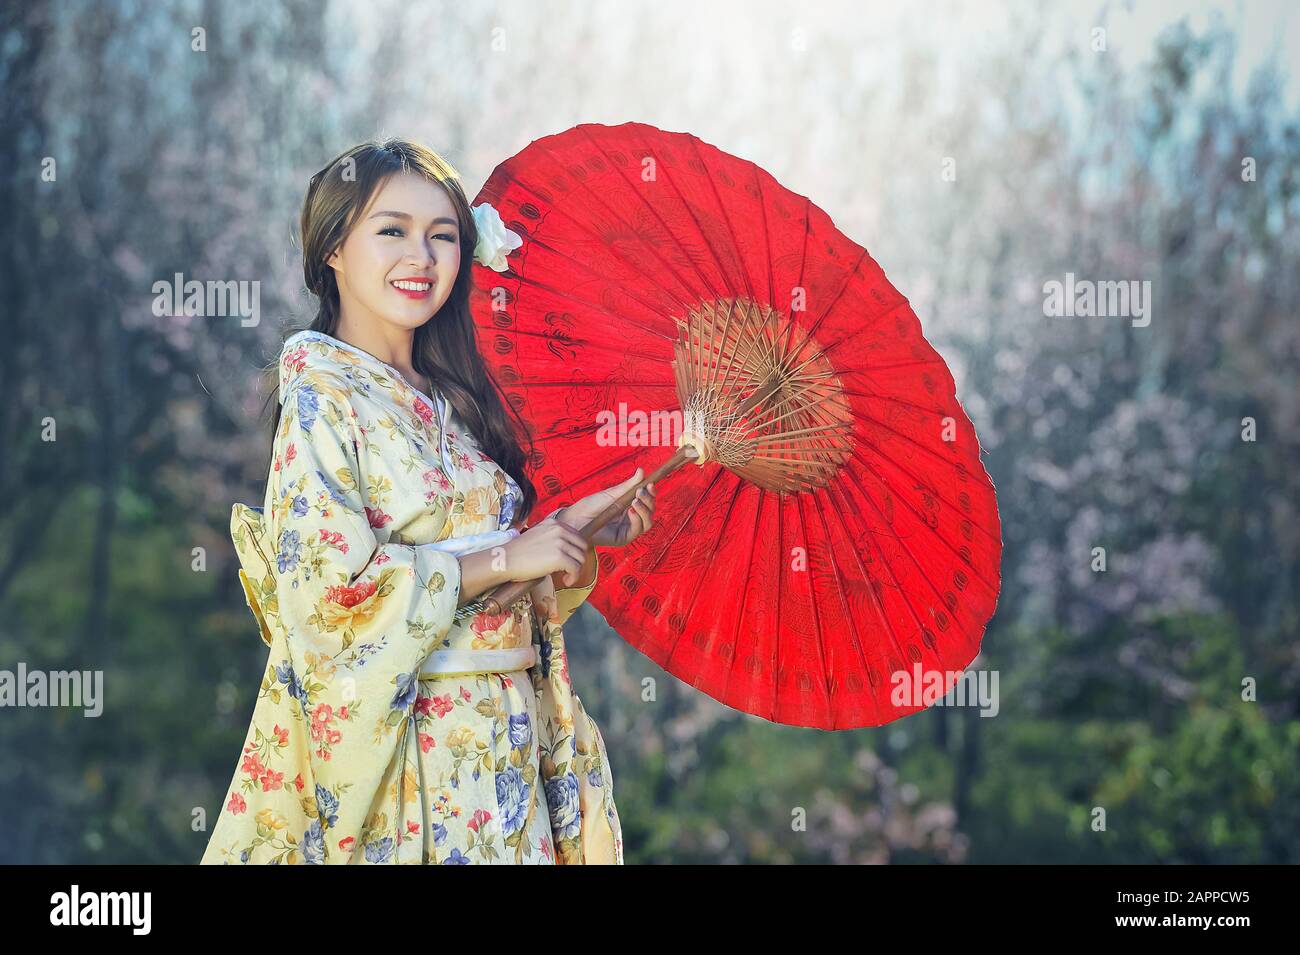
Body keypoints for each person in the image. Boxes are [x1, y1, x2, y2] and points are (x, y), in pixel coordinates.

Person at [200, 139, 655, 864]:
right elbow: (328, 603)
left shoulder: (455, 402)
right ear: (333, 251)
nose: (422, 256)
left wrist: (569, 533)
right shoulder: (322, 395)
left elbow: (489, 579)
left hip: (506, 748)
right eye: (392, 230)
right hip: (416, 756)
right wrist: (508, 552)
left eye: (442, 236)